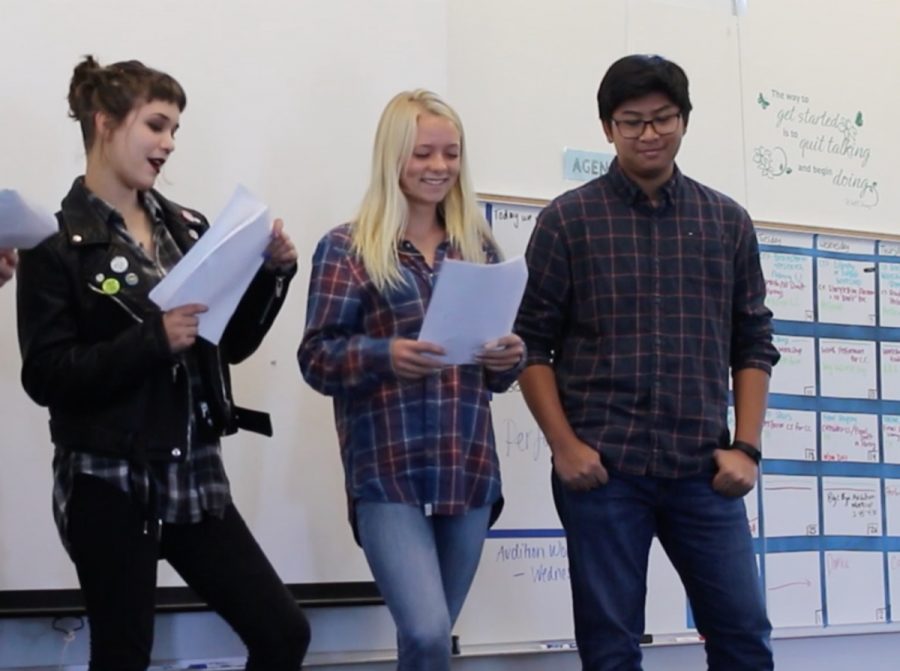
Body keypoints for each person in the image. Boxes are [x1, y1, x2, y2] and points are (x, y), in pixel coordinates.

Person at [16, 56, 309, 671]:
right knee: (124, 656)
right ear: (105, 123)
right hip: (107, 479)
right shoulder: (53, 241)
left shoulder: (189, 228)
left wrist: (273, 277)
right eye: (156, 125)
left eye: (175, 129)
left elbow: (225, 346)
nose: (168, 144)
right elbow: (46, 375)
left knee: (283, 634)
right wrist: (152, 340)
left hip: (191, 469)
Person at [515, 54, 780, 671]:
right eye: (632, 122)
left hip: (704, 468)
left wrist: (748, 447)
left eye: (663, 119)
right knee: (611, 650)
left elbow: (754, 340)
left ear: (684, 121)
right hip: (604, 470)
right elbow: (531, 343)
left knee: (743, 638)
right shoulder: (568, 220)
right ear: (607, 128)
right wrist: (563, 446)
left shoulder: (726, 222)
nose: (649, 134)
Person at [298, 89, 524, 671]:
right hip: (388, 472)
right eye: (424, 154)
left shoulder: (478, 247)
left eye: (451, 154)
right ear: (393, 157)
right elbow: (317, 358)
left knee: (431, 640)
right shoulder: (347, 248)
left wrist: (507, 359)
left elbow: (496, 375)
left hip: (467, 468)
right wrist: (384, 355)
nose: (440, 167)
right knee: (425, 633)